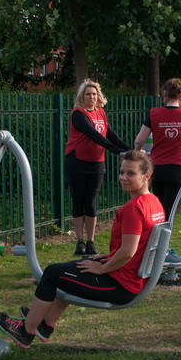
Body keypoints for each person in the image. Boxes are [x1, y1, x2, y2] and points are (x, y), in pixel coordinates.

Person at [0, 150, 166, 348]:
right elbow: (137, 247)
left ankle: (26, 331)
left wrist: (102, 268)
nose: (123, 178)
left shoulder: (134, 208)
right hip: (132, 279)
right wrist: (107, 258)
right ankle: (45, 324)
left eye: (130, 173)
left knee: (51, 273)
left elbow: (128, 252)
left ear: (146, 175)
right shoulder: (154, 202)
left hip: (121, 286)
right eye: (121, 172)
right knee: (74, 268)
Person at [133, 78, 181, 264]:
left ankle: (153, 249)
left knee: (157, 210)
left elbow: (139, 140)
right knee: (168, 213)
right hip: (178, 169)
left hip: (156, 168)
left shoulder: (154, 113)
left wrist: (139, 154)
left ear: (164, 94)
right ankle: (164, 252)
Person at [64, 79, 131, 256]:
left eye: (94, 94)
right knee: (79, 200)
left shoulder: (100, 112)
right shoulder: (78, 114)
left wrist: (127, 149)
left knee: (91, 202)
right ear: (82, 96)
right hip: (77, 162)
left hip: (96, 163)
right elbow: (93, 135)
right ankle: (79, 242)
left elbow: (110, 134)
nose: (91, 97)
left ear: (98, 96)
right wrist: (116, 151)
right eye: (88, 94)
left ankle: (91, 241)